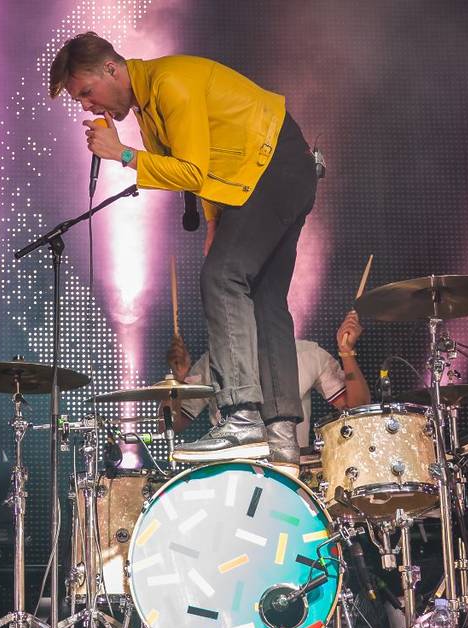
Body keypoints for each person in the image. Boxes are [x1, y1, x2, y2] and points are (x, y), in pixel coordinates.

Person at [50, 32, 318, 464]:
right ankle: (283, 434)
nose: (86, 105)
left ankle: (241, 419)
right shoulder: (148, 104)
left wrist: (123, 154)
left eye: (86, 92)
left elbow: (192, 170)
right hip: (274, 172)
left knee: (221, 277)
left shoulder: (169, 82)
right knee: (266, 299)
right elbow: (206, 164)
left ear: (111, 69)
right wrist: (214, 221)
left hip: (273, 166)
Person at [166, 311, 371, 461]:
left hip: (289, 469)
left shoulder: (307, 354)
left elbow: (356, 407)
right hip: (232, 470)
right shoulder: (215, 361)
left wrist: (346, 352)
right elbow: (170, 425)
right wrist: (177, 379)